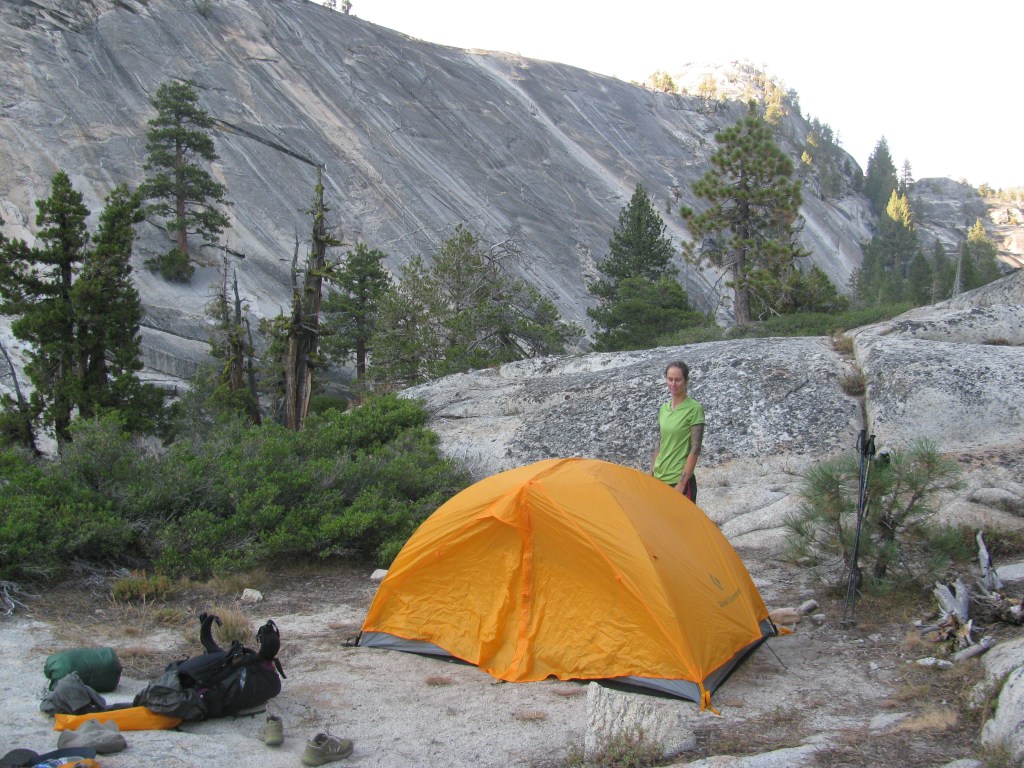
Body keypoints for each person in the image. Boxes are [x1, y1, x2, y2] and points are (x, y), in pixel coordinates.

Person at [651, 360, 704, 503]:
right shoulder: (664, 409)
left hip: (678, 479)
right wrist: (651, 474)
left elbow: (695, 448)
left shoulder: (694, 409)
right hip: (659, 477)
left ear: (686, 380)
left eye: (678, 380)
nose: (673, 384)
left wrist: (681, 483)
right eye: (670, 379)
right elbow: (660, 443)